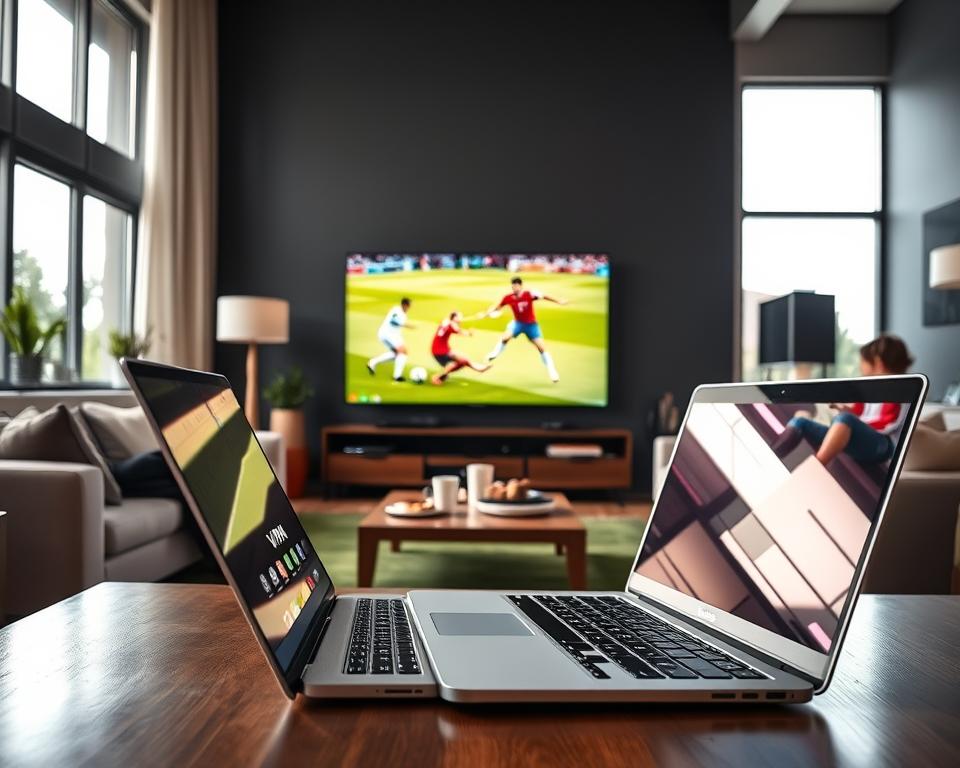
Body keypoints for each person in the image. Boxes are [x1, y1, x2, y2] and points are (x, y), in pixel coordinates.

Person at [775, 334, 914, 466]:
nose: (860, 366)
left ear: (878, 362)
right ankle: (771, 457)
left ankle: (814, 468)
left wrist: (851, 419)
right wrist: (846, 411)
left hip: (883, 446)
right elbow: (859, 413)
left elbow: (888, 424)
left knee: (845, 419)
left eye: (863, 361)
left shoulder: (900, 390)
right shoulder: (870, 388)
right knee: (800, 422)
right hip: (859, 436)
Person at [483, 276, 567, 383]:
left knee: (541, 347)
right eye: (513, 286)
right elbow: (498, 306)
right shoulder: (508, 297)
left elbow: (544, 296)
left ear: (521, 286)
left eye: (517, 286)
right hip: (517, 323)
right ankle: (494, 353)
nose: (515, 288)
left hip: (531, 325)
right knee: (505, 337)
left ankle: (552, 371)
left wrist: (559, 301)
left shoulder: (530, 294)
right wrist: (488, 312)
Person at [430, 311, 491, 385]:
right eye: (459, 317)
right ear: (454, 317)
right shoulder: (452, 325)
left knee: (461, 362)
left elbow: (452, 325)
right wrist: (469, 333)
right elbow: (460, 331)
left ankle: (442, 376)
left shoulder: (446, 321)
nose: (461, 319)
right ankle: (438, 377)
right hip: (441, 351)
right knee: (458, 361)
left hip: (439, 349)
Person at [367, 297, 414, 382]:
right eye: (408, 306)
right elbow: (393, 321)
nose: (409, 308)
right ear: (404, 305)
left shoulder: (401, 312)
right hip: (388, 334)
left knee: (396, 354)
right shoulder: (397, 310)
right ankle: (397, 376)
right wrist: (406, 325)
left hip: (388, 334)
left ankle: (373, 362)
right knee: (403, 352)